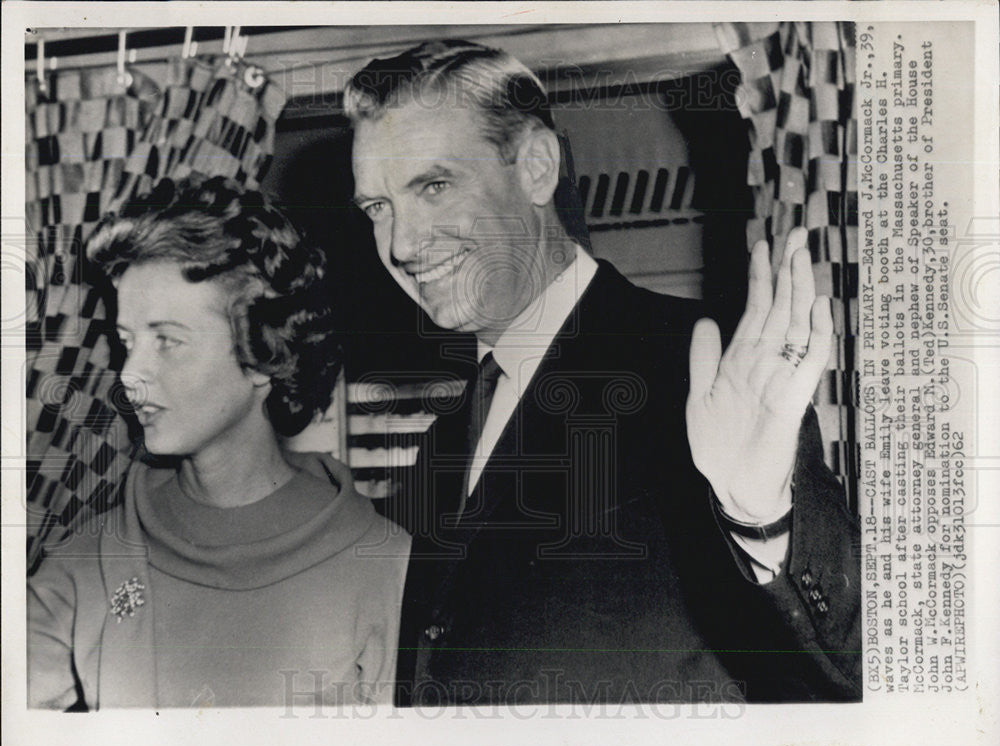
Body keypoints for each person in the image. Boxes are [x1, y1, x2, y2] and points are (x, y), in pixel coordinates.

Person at [345, 40, 861, 705]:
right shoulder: (438, 448)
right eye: (376, 208)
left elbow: (863, 669)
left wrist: (762, 516)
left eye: (434, 186)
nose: (402, 245)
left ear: (536, 166)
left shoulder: (696, 369)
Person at [27, 176, 410, 710]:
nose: (129, 377)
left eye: (168, 341)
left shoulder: (387, 566)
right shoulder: (87, 563)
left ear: (262, 354)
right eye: (127, 343)